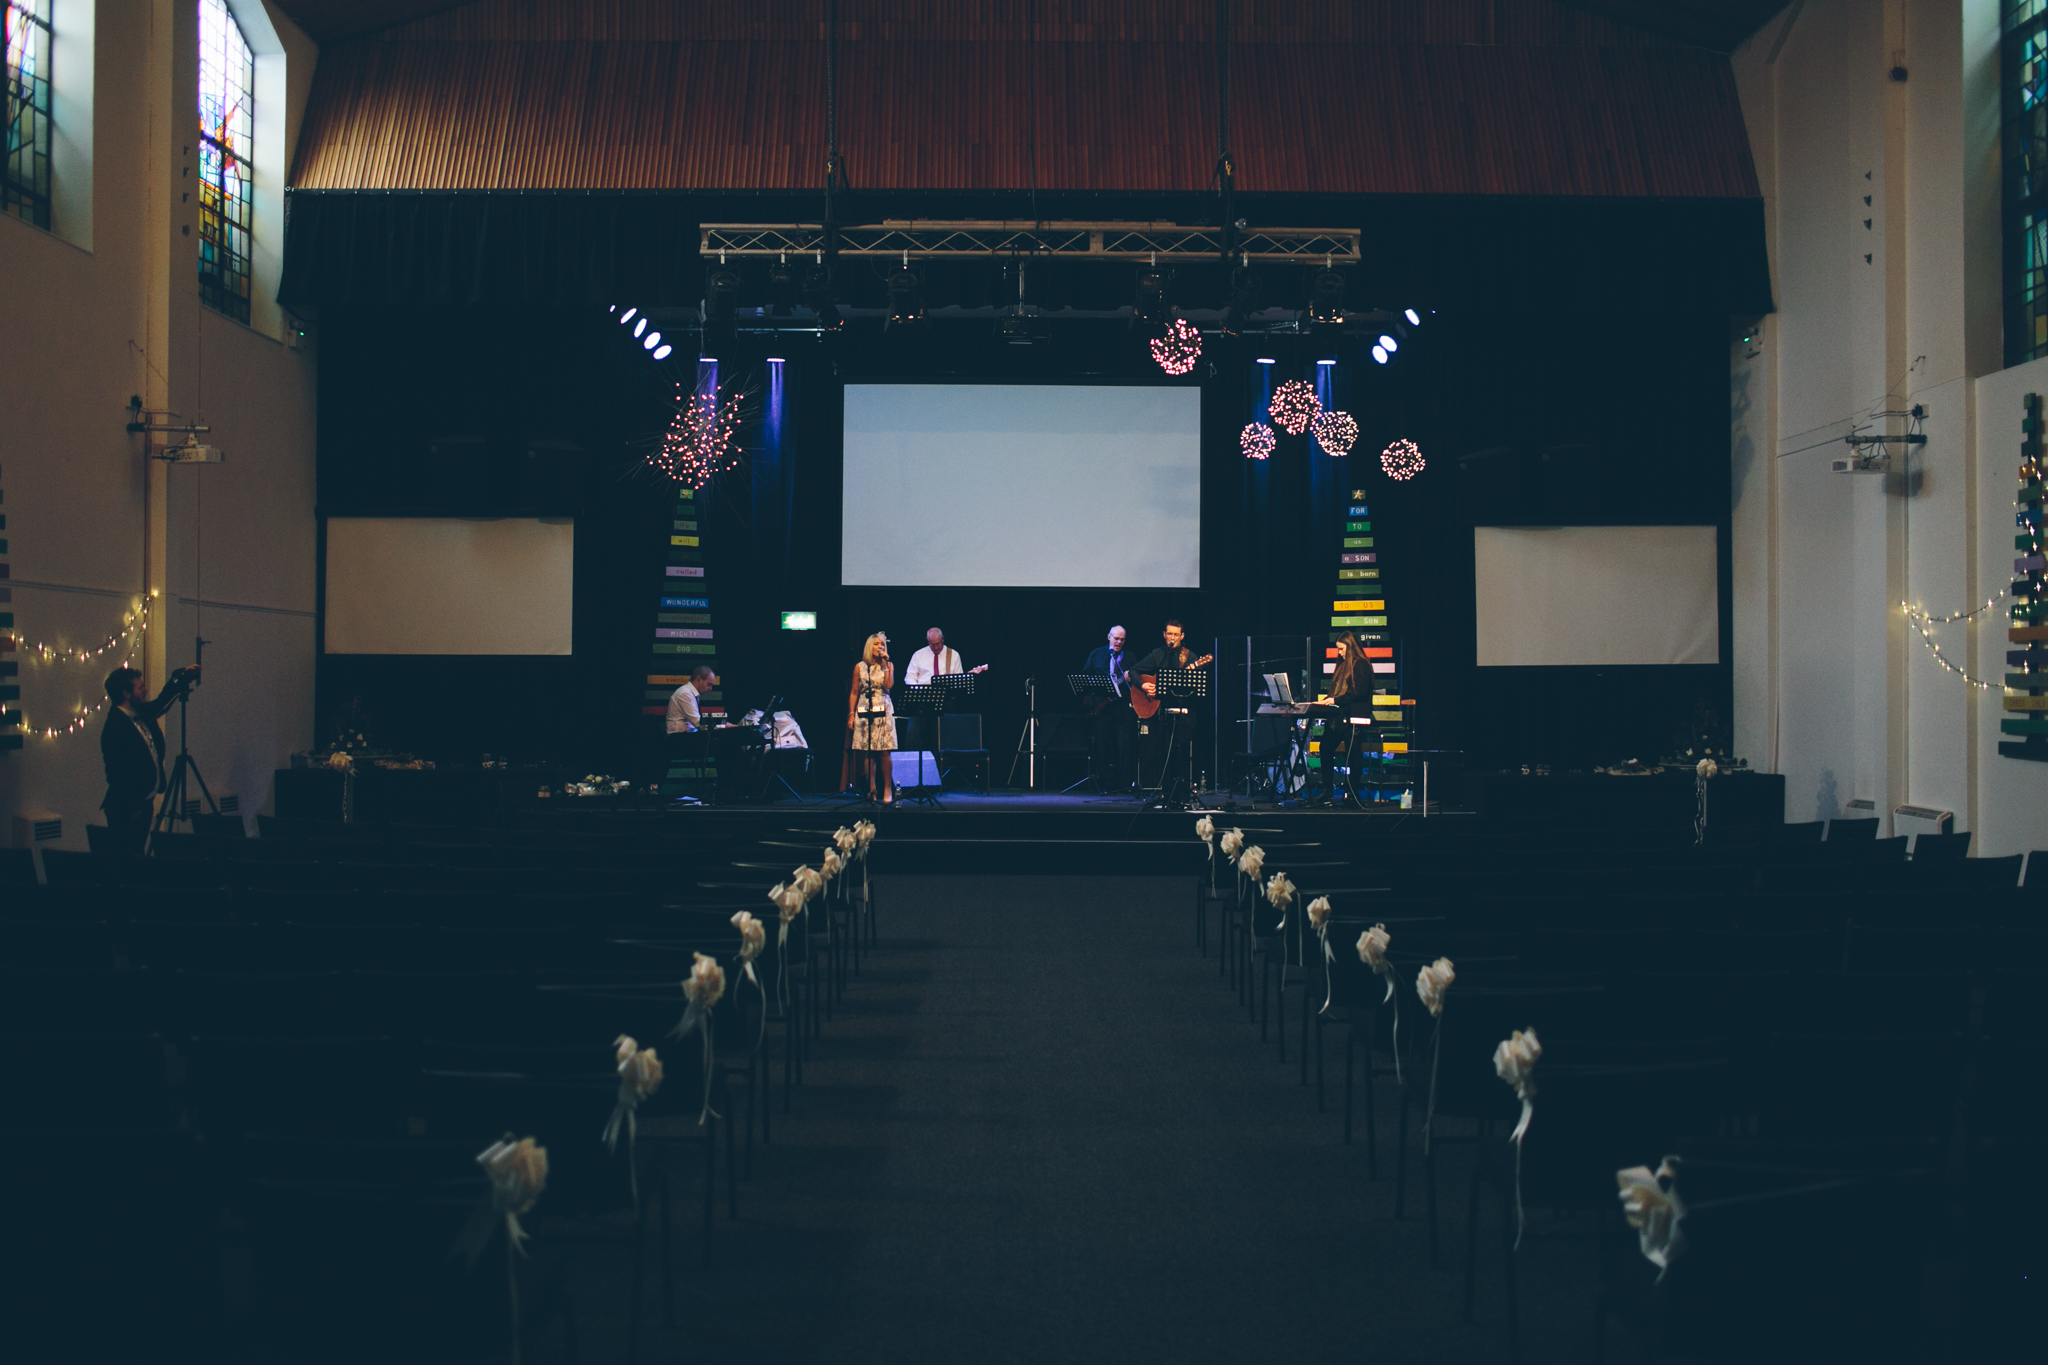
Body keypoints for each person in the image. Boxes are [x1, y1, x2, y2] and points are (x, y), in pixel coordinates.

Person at [99, 664, 199, 835]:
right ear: (126, 693)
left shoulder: (140, 712)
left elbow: (162, 702)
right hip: (127, 810)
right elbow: (116, 773)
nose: (145, 691)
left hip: (144, 804)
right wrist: (134, 807)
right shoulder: (115, 727)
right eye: (141, 688)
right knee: (130, 856)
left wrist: (179, 677)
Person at [1130, 621, 1211, 800]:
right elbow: (1134, 671)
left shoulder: (1189, 657)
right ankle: (1165, 792)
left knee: (1180, 750)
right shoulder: (1157, 654)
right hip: (1162, 712)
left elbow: (1195, 692)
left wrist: (1188, 677)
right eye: (1169, 634)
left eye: (1176, 635)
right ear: (1164, 635)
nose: (1172, 638)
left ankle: (1181, 792)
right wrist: (1144, 685)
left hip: (1184, 712)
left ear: (1182, 637)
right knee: (1161, 750)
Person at [1082, 624, 1137, 794]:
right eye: (1116, 638)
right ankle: (1106, 782)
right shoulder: (1097, 654)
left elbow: (1137, 682)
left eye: (1122, 639)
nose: (1119, 641)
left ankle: (1125, 784)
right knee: (1102, 744)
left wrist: (1130, 678)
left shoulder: (1129, 657)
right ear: (1109, 637)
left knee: (1125, 746)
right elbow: (1085, 678)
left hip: (1122, 707)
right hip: (1102, 708)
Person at [847, 632, 897, 804]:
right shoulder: (860, 667)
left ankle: (887, 789)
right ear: (870, 646)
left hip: (883, 706)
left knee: (884, 750)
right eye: (877, 644)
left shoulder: (888, 665)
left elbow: (888, 685)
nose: (880, 647)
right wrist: (851, 714)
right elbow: (854, 692)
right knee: (868, 751)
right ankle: (871, 788)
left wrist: (885, 666)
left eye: (882, 644)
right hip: (864, 707)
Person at [902, 627, 988, 685]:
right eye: (932, 644)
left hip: (946, 698)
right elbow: (910, 677)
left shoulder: (953, 655)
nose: (935, 648)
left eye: (938, 644)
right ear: (927, 641)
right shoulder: (919, 655)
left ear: (942, 639)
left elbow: (958, 680)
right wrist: (918, 691)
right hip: (922, 696)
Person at [666, 665, 718, 734]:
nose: (710, 689)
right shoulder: (685, 693)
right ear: (698, 680)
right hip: (678, 738)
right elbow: (698, 723)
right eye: (709, 684)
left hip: (686, 736)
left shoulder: (691, 693)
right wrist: (724, 726)